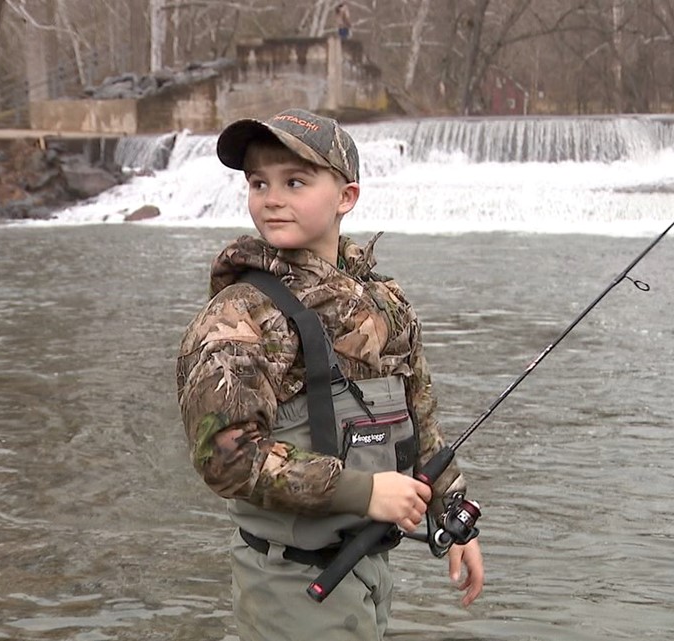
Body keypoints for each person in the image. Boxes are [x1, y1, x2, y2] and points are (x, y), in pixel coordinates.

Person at [176, 108, 485, 641]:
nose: (272, 197)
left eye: (295, 181)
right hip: (287, 582)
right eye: (258, 183)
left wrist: (453, 515)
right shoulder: (239, 317)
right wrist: (364, 491)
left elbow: (421, 418)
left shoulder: (386, 304)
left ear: (347, 197)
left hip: (368, 570)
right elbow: (225, 460)